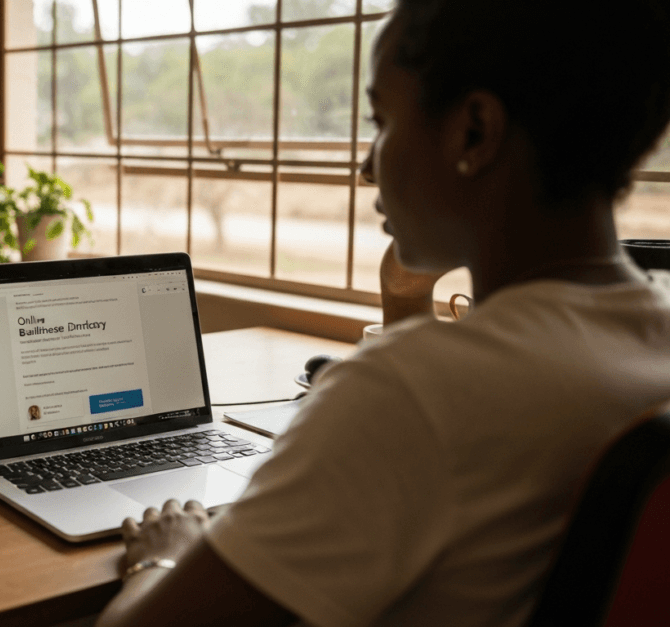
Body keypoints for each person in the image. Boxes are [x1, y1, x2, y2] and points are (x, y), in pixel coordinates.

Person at [95, 1, 670, 626]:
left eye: (382, 121)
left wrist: (163, 560)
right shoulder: (651, 343)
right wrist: (407, 310)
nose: (366, 166)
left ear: (474, 132)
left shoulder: (407, 393)